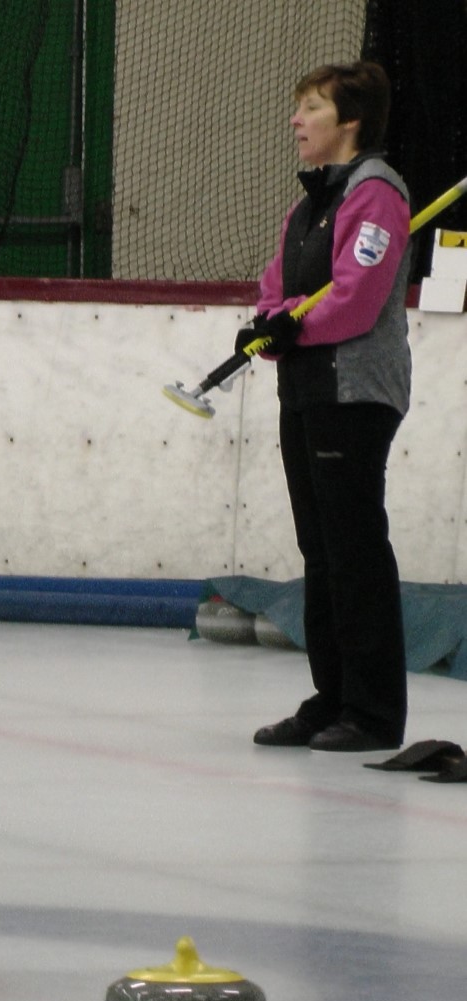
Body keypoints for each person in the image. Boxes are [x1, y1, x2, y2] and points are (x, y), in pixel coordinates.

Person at [246, 61, 411, 752]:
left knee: (353, 550)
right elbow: (276, 283)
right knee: (320, 549)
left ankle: (372, 712)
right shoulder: (309, 202)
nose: (296, 120)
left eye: (310, 108)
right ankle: (332, 696)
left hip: (353, 390)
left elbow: (358, 298)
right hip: (307, 387)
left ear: (349, 121)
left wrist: (295, 327)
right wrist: (267, 320)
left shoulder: (374, 193)